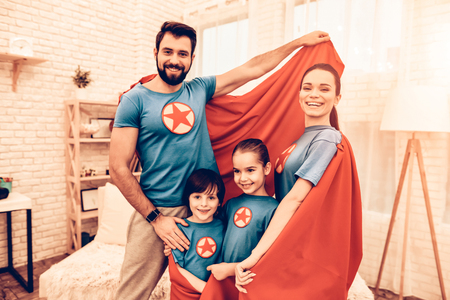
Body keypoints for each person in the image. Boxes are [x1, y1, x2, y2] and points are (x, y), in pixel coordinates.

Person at [110, 20, 330, 300]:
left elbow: (253, 69)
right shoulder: (134, 101)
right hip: (157, 212)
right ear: (155, 52)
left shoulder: (198, 89)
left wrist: (297, 43)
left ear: (191, 58)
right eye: (168, 52)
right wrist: (155, 218)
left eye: (182, 54)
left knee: (212, 290)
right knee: (131, 295)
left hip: (208, 210)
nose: (174, 60)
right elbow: (118, 169)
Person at [235, 63, 344, 293]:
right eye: (307, 87)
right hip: (283, 235)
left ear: (337, 98)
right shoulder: (301, 139)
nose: (314, 94)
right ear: (299, 95)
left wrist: (257, 254)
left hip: (299, 243)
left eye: (324, 89)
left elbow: (296, 199)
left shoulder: (325, 138)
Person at [206, 139, 278, 282]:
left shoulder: (274, 210)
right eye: (237, 171)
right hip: (223, 280)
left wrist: (230, 269)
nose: (243, 178)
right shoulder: (230, 205)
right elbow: (209, 230)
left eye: (250, 170)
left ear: (266, 168)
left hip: (250, 282)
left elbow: (272, 257)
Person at [169, 169, 225, 295]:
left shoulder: (223, 227)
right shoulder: (179, 229)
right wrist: (208, 290)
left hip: (216, 292)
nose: (203, 204)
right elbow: (177, 270)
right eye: (197, 197)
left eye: (211, 197)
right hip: (186, 294)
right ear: (188, 198)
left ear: (219, 201)